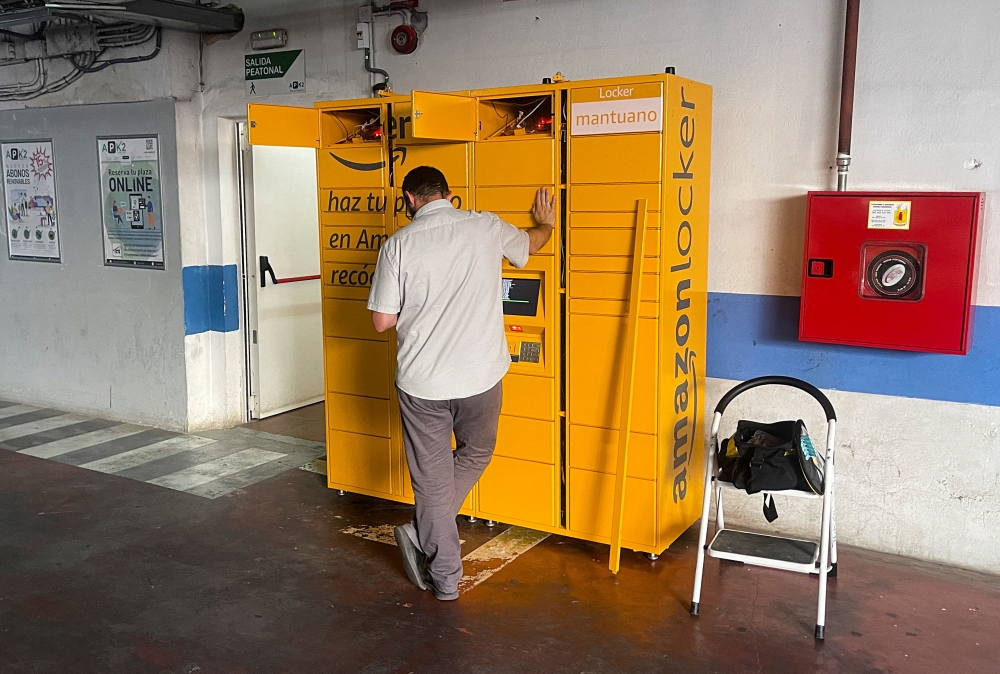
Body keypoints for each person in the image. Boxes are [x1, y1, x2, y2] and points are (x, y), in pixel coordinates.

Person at [367, 166, 554, 600]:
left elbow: (382, 321)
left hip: (422, 383)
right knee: (478, 450)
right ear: (449, 194)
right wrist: (545, 222)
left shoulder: (399, 244)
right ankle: (425, 531)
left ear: (410, 199)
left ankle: (445, 578)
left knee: (430, 478)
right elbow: (531, 244)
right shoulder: (484, 226)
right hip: (480, 376)